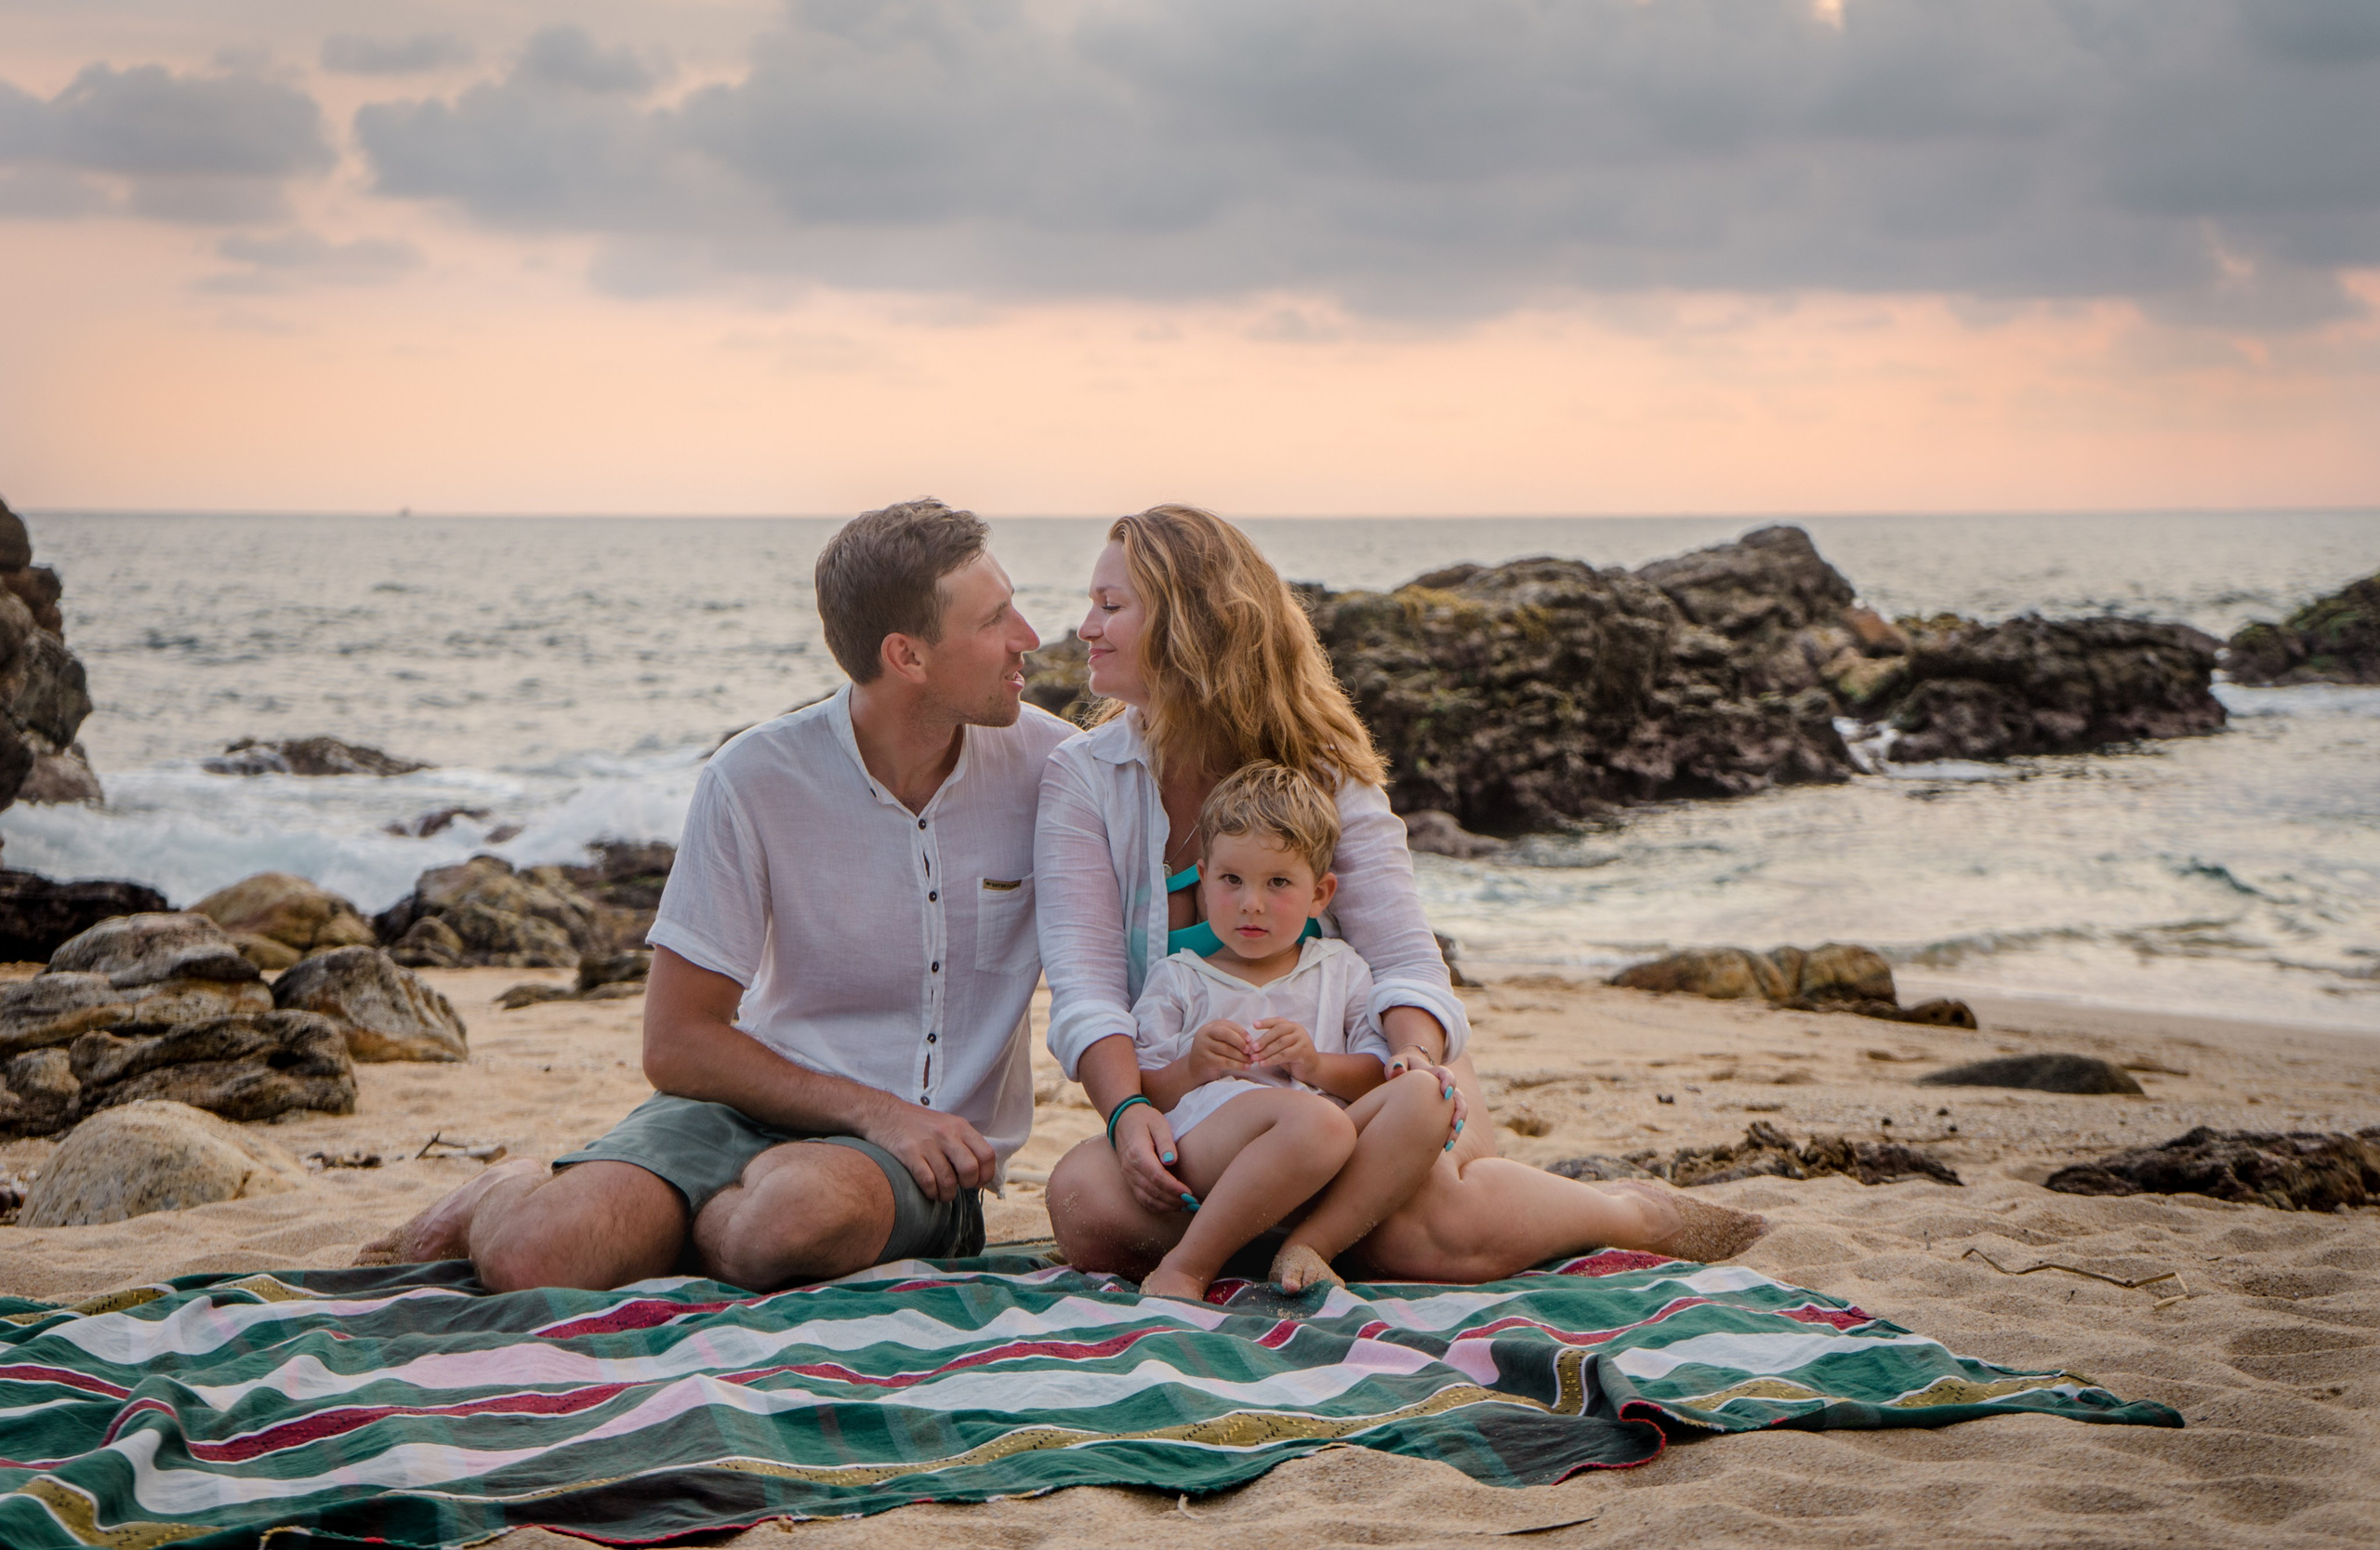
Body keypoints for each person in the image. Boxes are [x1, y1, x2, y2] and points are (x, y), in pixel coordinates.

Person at [359, 499, 1078, 1291]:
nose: (1029, 639)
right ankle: (506, 1187)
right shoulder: (754, 778)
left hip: (917, 1159)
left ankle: (671, 1228)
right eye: (995, 619)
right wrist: (873, 1109)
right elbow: (676, 1041)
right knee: (542, 1254)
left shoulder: (1056, 771)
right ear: (907, 656)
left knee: (798, 1220)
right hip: (745, 1112)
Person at [1037, 504, 1767, 1281]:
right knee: (1085, 1204)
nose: (1085, 626)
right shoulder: (1085, 777)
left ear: (1194, 624)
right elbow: (1087, 994)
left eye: (1111, 606)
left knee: (1424, 1233)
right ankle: (1286, 1228)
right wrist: (1127, 1112)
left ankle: (1630, 1213)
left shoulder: (1324, 771)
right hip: (1215, 1116)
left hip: (1362, 1080)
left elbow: (1405, 962)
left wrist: (1413, 1059)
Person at [1129, 762, 1461, 1300]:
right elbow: (1144, 1093)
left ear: (1320, 895)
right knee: (1316, 1125)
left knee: (1427, 1093)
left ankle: (1310, 1245)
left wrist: (1317, 1065)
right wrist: (1193, 1066)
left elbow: (1377, 1076)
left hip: (1333, 1158)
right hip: (1223, 1156)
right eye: (1231, 880)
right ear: (1203, 877)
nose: (1251, 903)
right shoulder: (1179, 977)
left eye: (1278, 883)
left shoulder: (1342, 969)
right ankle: (1186, 1267)